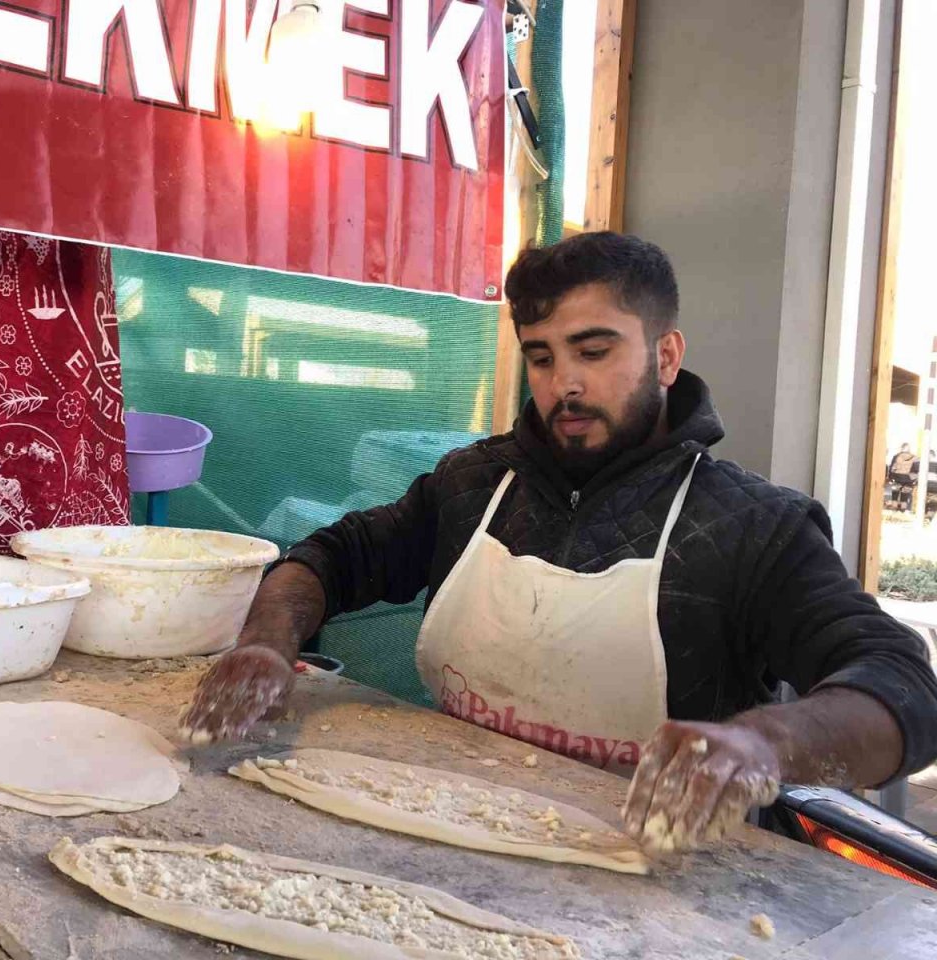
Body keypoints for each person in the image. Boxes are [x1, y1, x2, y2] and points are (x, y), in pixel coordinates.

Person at [183, 232, 937, 854]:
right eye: (542, 357)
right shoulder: (474, 488)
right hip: (458, 836)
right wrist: (267, 641)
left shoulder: (753, 528)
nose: (564, 384)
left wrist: (764, 743)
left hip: (671, 886)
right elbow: (331, 557)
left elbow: (903, 687)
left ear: (667, 357)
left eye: (594, 351)